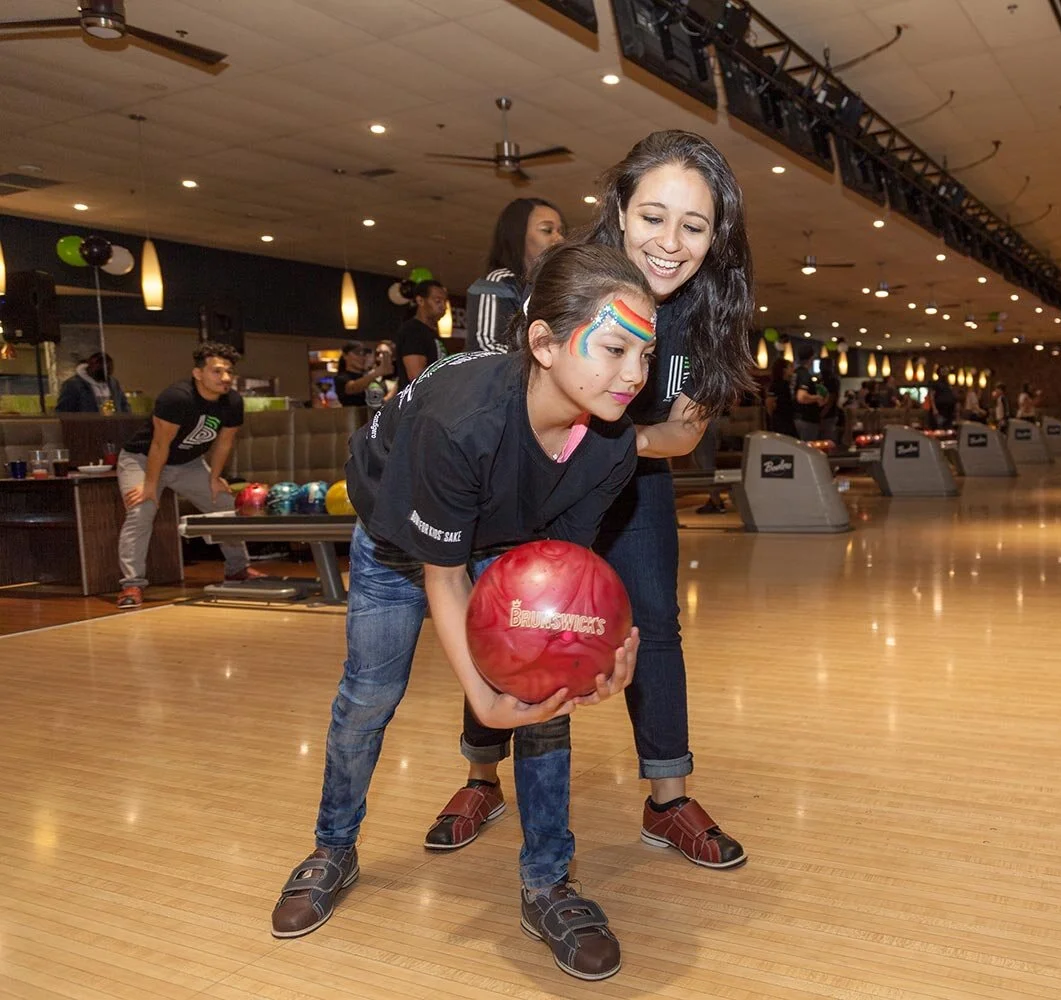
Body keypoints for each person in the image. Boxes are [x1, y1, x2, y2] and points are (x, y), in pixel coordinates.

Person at [270, 243, 653, 981]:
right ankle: (332, 847)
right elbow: (442, 578)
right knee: (370, 696)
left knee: (544, 703)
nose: (633, 376)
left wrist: (593, 654)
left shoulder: (609, 448)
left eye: (645, 354)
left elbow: (563, 583)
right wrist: (482, 698)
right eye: (612, 348)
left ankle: (548, 883)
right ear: (543, 343)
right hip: (395, 536)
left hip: (502, 534)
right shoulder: (461, 421)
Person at [427, 130, 756, 872]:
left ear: (716, 237)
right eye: (653, 217)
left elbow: (682, 436)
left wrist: (617, 441)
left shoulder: (711, 309)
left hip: (633, 485)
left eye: (694, 226)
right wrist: (631, 432)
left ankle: (668, 797)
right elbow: (516, 397)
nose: (670, 243)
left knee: (658, 625)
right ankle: (482, 778)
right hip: (536, 475)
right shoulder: (568, 281)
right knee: (509, 617)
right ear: (619, 210)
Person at [115, 342, 259, 608]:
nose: (225, 378)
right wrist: (150, 485)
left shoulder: (232, 402)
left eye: (229, 372)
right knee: (141, 510)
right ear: (198, 373)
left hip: (188, 464)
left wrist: (215, 477)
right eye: (217, 371)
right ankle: (132, 585)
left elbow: (224, 443)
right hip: (143, 460)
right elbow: (160, 445)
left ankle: (237, 569)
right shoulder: (177, 398)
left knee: (225, 506)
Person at [467, 198, 566, 353]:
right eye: (547, 230)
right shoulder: (499, 283)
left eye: (560, 231)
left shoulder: (557, 290)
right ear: (518, 235)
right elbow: (485, 349)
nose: (559, 239)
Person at [395, 280, 448, 390]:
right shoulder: (413, 330)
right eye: (438, 301)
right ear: (420, 300)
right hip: (419, 404)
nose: (443, 306)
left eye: (444, 301)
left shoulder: (431, 333)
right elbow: (416, 377)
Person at [55, 351, 128, 413]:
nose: (107, 374)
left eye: (109, 370)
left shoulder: (113, 383)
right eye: (103, 370)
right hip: (86, 427)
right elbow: (64, 412)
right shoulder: (73, 385)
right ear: (90, 367)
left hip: (111, 426)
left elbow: (123, 405)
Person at [332, 342, 390, 408]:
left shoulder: (368, 376)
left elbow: (380, 402)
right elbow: (352, 388)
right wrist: (376, 373)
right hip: (353, 416)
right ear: (345, 355)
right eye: (357, 353)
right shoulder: (342, 377)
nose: (362, 357)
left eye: (364, 353)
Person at [764, 356, 796, 438]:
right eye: (790, 367)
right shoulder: (776, 384)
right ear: (784, 369)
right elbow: (769, 403)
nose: (792, 369)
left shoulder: (786, 384)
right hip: (781, 421)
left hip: (787, 419)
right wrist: (774, 418)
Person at [364, 341, 399, 409]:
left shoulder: (400, 375)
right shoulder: (371, 376)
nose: (380, 356)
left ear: (393, 356)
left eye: (385, 353)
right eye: (378, 353)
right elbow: (376, 404)